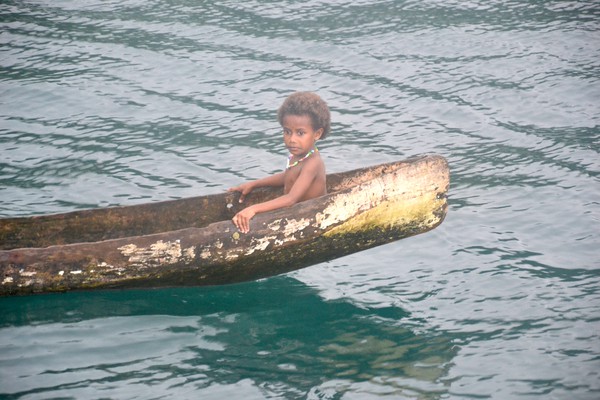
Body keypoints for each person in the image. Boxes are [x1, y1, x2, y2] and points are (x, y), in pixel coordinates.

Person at [228, 91, 331, 233]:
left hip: (310, 218)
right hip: (292, 213)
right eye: (287, 132)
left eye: (300, 133)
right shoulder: (298, 154)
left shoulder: (313, 162)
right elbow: (288, 176)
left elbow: (291, 199)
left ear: (317, 134)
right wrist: (254, 184)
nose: (292, 139)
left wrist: (253, 209)